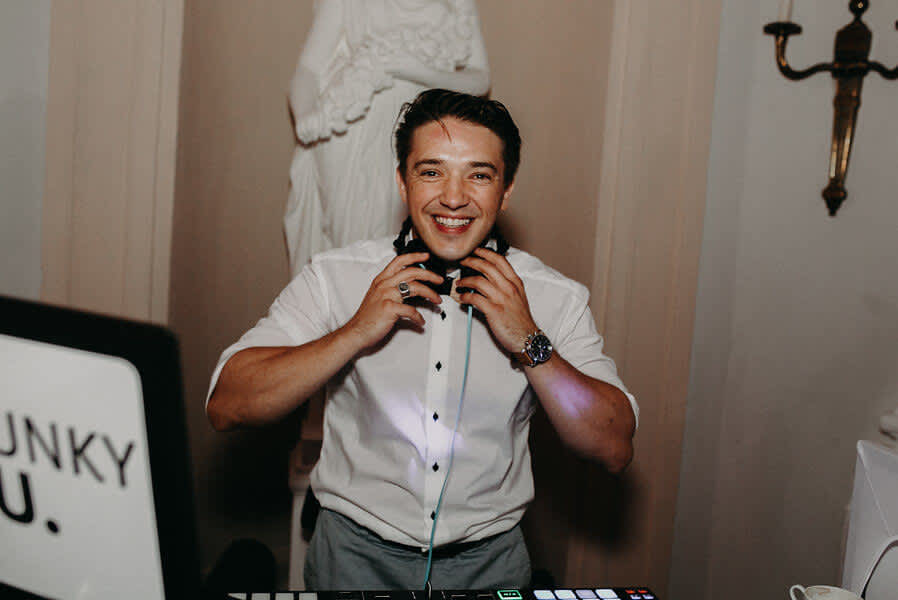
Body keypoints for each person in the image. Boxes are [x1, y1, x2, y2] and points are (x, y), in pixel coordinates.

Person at [207, 89, 638, 590]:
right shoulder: (334, 276)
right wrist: (355, 332)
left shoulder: (554, 297)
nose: (453, 197)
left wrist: (530, 341)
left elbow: (613, 445)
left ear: (506, 190)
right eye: (431, 171)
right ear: (402, 181)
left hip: (490, 566)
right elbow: (228, 405)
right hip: (350, 560)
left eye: (479, 175)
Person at [285, 0, 490, 277]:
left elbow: (479, 80)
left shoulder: (458, 4)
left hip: (420, 136)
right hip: (352, 133)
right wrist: (305, 117)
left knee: (406, 243)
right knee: (349, 247)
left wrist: (415, 70)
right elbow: (308, 70)